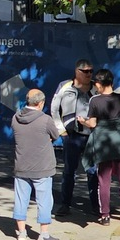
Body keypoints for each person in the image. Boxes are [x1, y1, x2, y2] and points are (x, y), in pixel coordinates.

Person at [80, 69, 120, 226]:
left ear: (98, 84)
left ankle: (105, 215)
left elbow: (92, 124)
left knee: (104, 181)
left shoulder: (95, 101)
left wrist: (83, 122)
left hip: (103, 144)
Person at [11, 89, 64, 240]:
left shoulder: (15, 118)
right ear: (40, 103)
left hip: (21, 164)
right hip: (42, 166)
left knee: (21, 199)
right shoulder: (45, 120)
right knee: (44, 200)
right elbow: (55, 135)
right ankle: (44, 234)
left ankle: (21, 233)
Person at [50, 59, 99, 216]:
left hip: (92, 136)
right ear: (77, 71)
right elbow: (54, 109)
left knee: (93, 171)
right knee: (69, 171)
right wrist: (61, 130)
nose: (89, 74)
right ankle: (65, 204)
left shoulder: (96, 88)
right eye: (86, 71)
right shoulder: (64, 86)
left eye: (91, 71)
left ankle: (95, 206)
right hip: (72, 136)